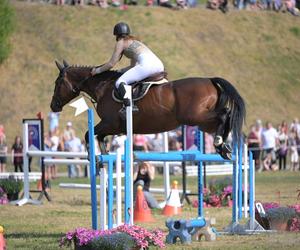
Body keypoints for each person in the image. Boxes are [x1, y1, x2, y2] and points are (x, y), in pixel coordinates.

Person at [91, 22, 164, 117]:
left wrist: (97, 71)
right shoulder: (135, 41)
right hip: (159, 65)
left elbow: (111, 64)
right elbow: (133, 67)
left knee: (119, 82)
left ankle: (129, 106)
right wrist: (119, 71)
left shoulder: (121, 42)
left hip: (147, 66)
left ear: (116, 34)